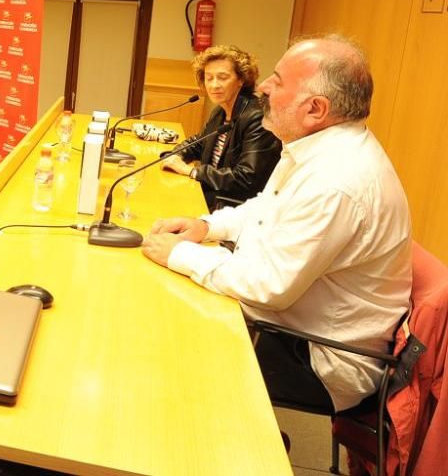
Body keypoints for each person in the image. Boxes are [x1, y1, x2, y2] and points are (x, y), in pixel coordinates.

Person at [141, 36, 412, 414]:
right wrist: (205, 227)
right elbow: (262, 209)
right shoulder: (313, 146)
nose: (264, 86)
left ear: (316, 108)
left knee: (165, 355)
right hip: (290, 322)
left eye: (279, 80)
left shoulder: (337, 181)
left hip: (316, 357)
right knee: (166, 310)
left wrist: (181, 255)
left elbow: (268, 288)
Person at [160, 45, 281, 209]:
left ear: (241, 80)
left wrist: (192, 171)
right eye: (209, 78)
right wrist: (174, 156)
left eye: (222, 77)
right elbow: (199, 143)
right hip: (214, 196)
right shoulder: (220, 111)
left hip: (235, 208)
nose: (214, 85)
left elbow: (247, 178)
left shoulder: (257, 117)